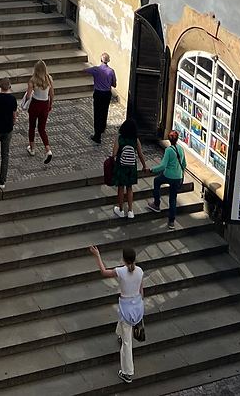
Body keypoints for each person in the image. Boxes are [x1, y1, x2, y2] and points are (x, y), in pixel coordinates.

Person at [89, 243, 143, 384]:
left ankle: (127, 372)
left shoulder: (121, 271)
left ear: (123, 259)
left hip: (126, 307)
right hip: (136, 305)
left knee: (127, 342)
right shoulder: (140, 271)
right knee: (124, 326)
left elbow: (104, 272)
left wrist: (97, 255)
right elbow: (141, 290)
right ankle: (120, 335)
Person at [147, 129, 188, 229]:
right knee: (173, 199)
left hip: (168, 175)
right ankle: (171, 221)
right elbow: (184, 164)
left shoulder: (169, 150)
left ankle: (156, 204)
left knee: (157, 181)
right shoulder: (181, 149)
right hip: (178, 177)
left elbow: (163, 166)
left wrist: (152, 170)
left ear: (169, 139)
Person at [110, 118, 146, 219]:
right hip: (131, 167)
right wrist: (144, 165)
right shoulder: (135, 140)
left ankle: (121, 210)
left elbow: (114, 154)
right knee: (129, 188)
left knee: (121, 187)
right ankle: (130, 211)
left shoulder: (119, 139)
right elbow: (140, 154)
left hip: (121, 166)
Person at [24, 61, 54, 164]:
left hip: (35, 104)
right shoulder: (49, 79)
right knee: (42, 129)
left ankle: (32, 148)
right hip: (45, 105)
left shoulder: (33, 80)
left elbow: (28, 95)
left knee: (32, 126)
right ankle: (48, 149)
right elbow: (52, 94)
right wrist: (50, 104)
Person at [87, 52, 118, 144]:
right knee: (104, 111)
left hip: (98, 93)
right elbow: (114, 84)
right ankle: (102, 127)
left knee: (97, 113)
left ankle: (97, 135)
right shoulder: (111, 71)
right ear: (108, 61)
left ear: (101, 59)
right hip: (107, 94)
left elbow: (85, 70)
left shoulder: (96, 70)